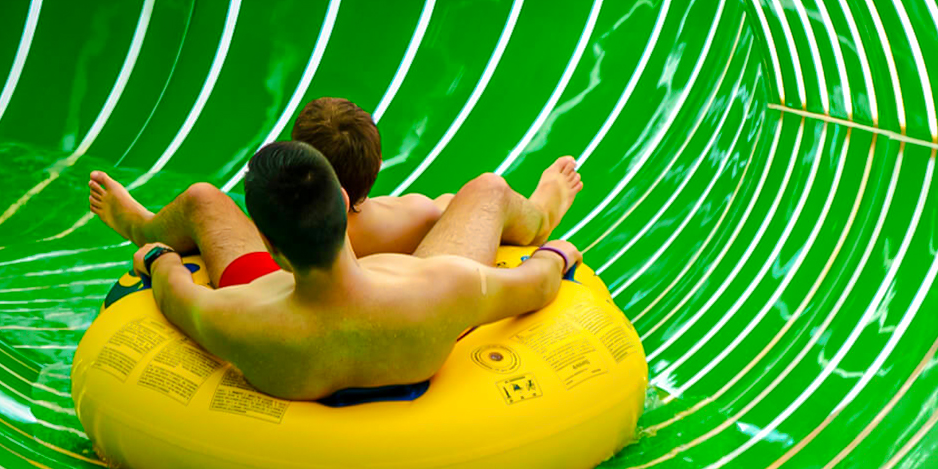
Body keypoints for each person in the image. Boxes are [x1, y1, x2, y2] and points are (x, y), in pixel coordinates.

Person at [86, 142, 583, 400]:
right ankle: (543, 214)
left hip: (285, 323)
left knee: (201, 199)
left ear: (270, 245)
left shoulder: (234, 316)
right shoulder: (445, 287)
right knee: (488, 190)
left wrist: (157, 257)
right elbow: (536, 285)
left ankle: (141, 226)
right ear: (345, 202)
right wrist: (557, 254)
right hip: (410, 315)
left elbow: (174, 294)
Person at [291, 96, 565, 256]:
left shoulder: (282, 231)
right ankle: (541, 216)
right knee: (473, 200)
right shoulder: (415, 215)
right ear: (377, 166)